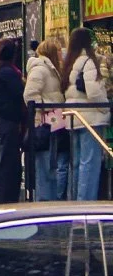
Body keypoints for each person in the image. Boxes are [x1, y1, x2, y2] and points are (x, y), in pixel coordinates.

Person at [62, 27, 110, 201]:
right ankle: (86, 205)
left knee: (75, 164)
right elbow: (94, 92)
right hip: (91, 119)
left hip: (74, 118)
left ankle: (74, 204)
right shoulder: (89, 62)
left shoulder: (69, 63)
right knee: (89, 164)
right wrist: (105, 108)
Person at [24, 38, 68, 201]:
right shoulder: (41, 69)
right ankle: (44, 201)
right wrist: (46, 108)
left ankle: (50, 200)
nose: (60, 54)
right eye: (58, 50)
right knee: (45, 165)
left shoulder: (51, 69)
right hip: (44, 122)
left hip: (54, 122)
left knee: (53, 164)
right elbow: (29, 94)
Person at [0, 38, 26, 203]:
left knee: (6, 160)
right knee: (9, 162)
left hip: (3, 120)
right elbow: (20, 92)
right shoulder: (8, 72)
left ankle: (3, 198)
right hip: (9, 120)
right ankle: (6, 199)